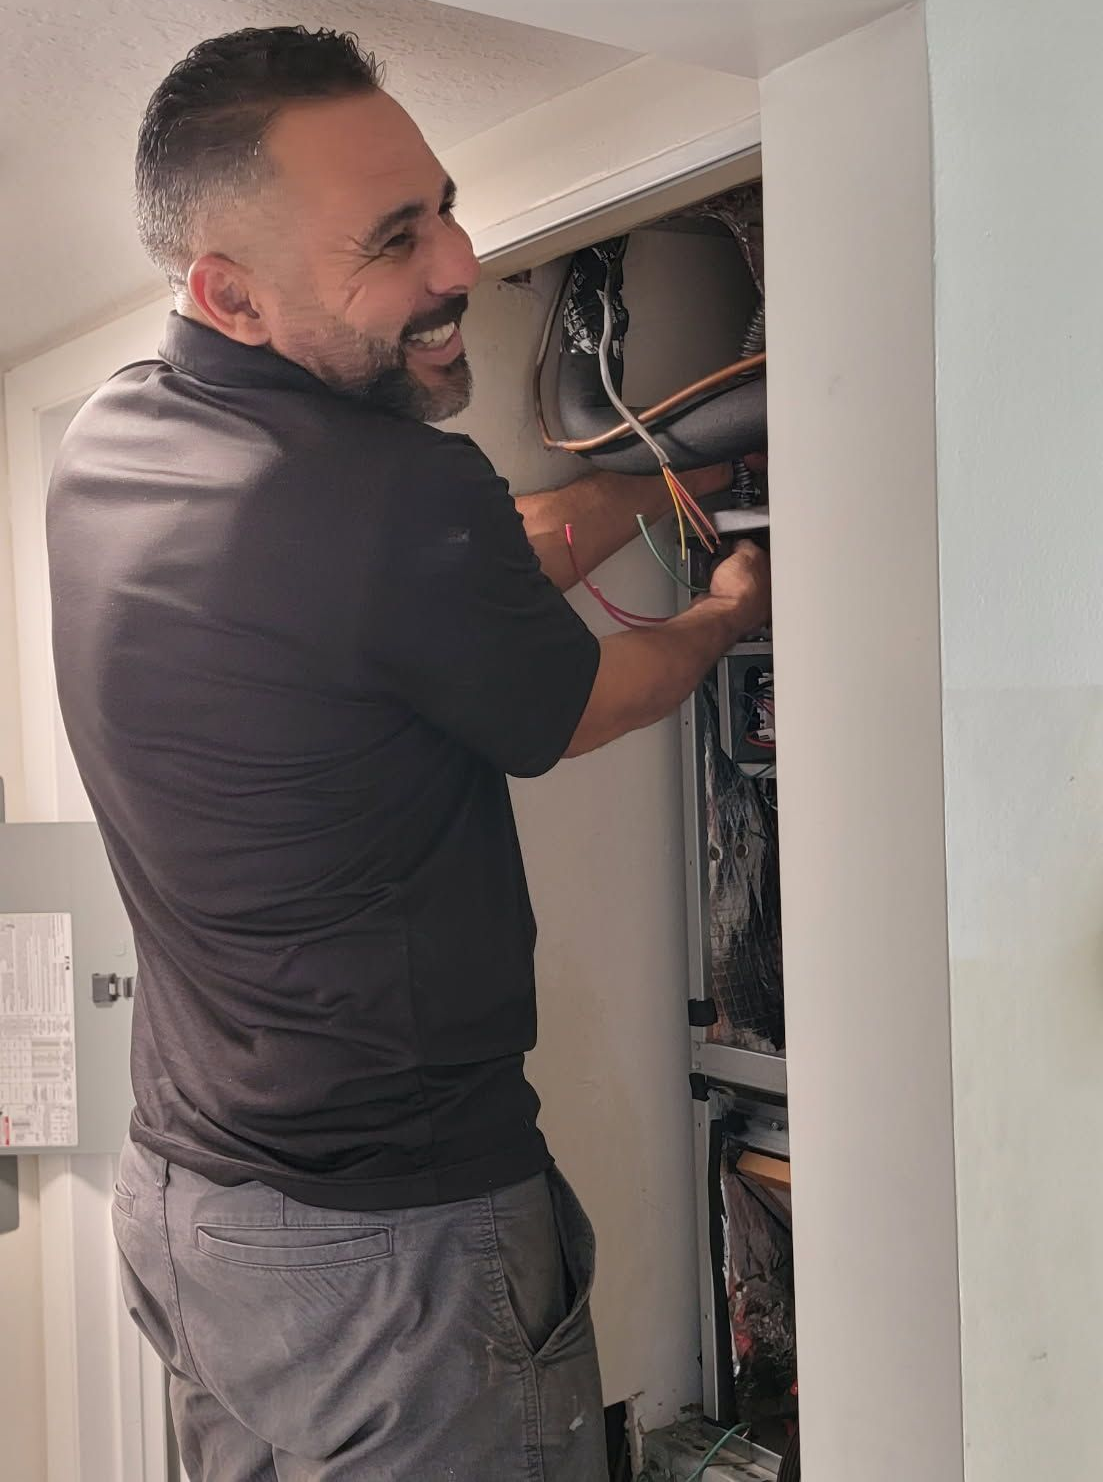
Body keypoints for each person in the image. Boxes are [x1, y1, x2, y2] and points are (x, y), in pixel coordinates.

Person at [47, 26, 770, 1482]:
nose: (459, 264)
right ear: (227, 291)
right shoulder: (397, 501)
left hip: (191, 1208)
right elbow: (584, 701)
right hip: (392, 1259)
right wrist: (721, 610)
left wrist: (671, 480)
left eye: (442, 204)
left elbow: (418, 597)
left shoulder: (113, 440)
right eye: (395, 238)